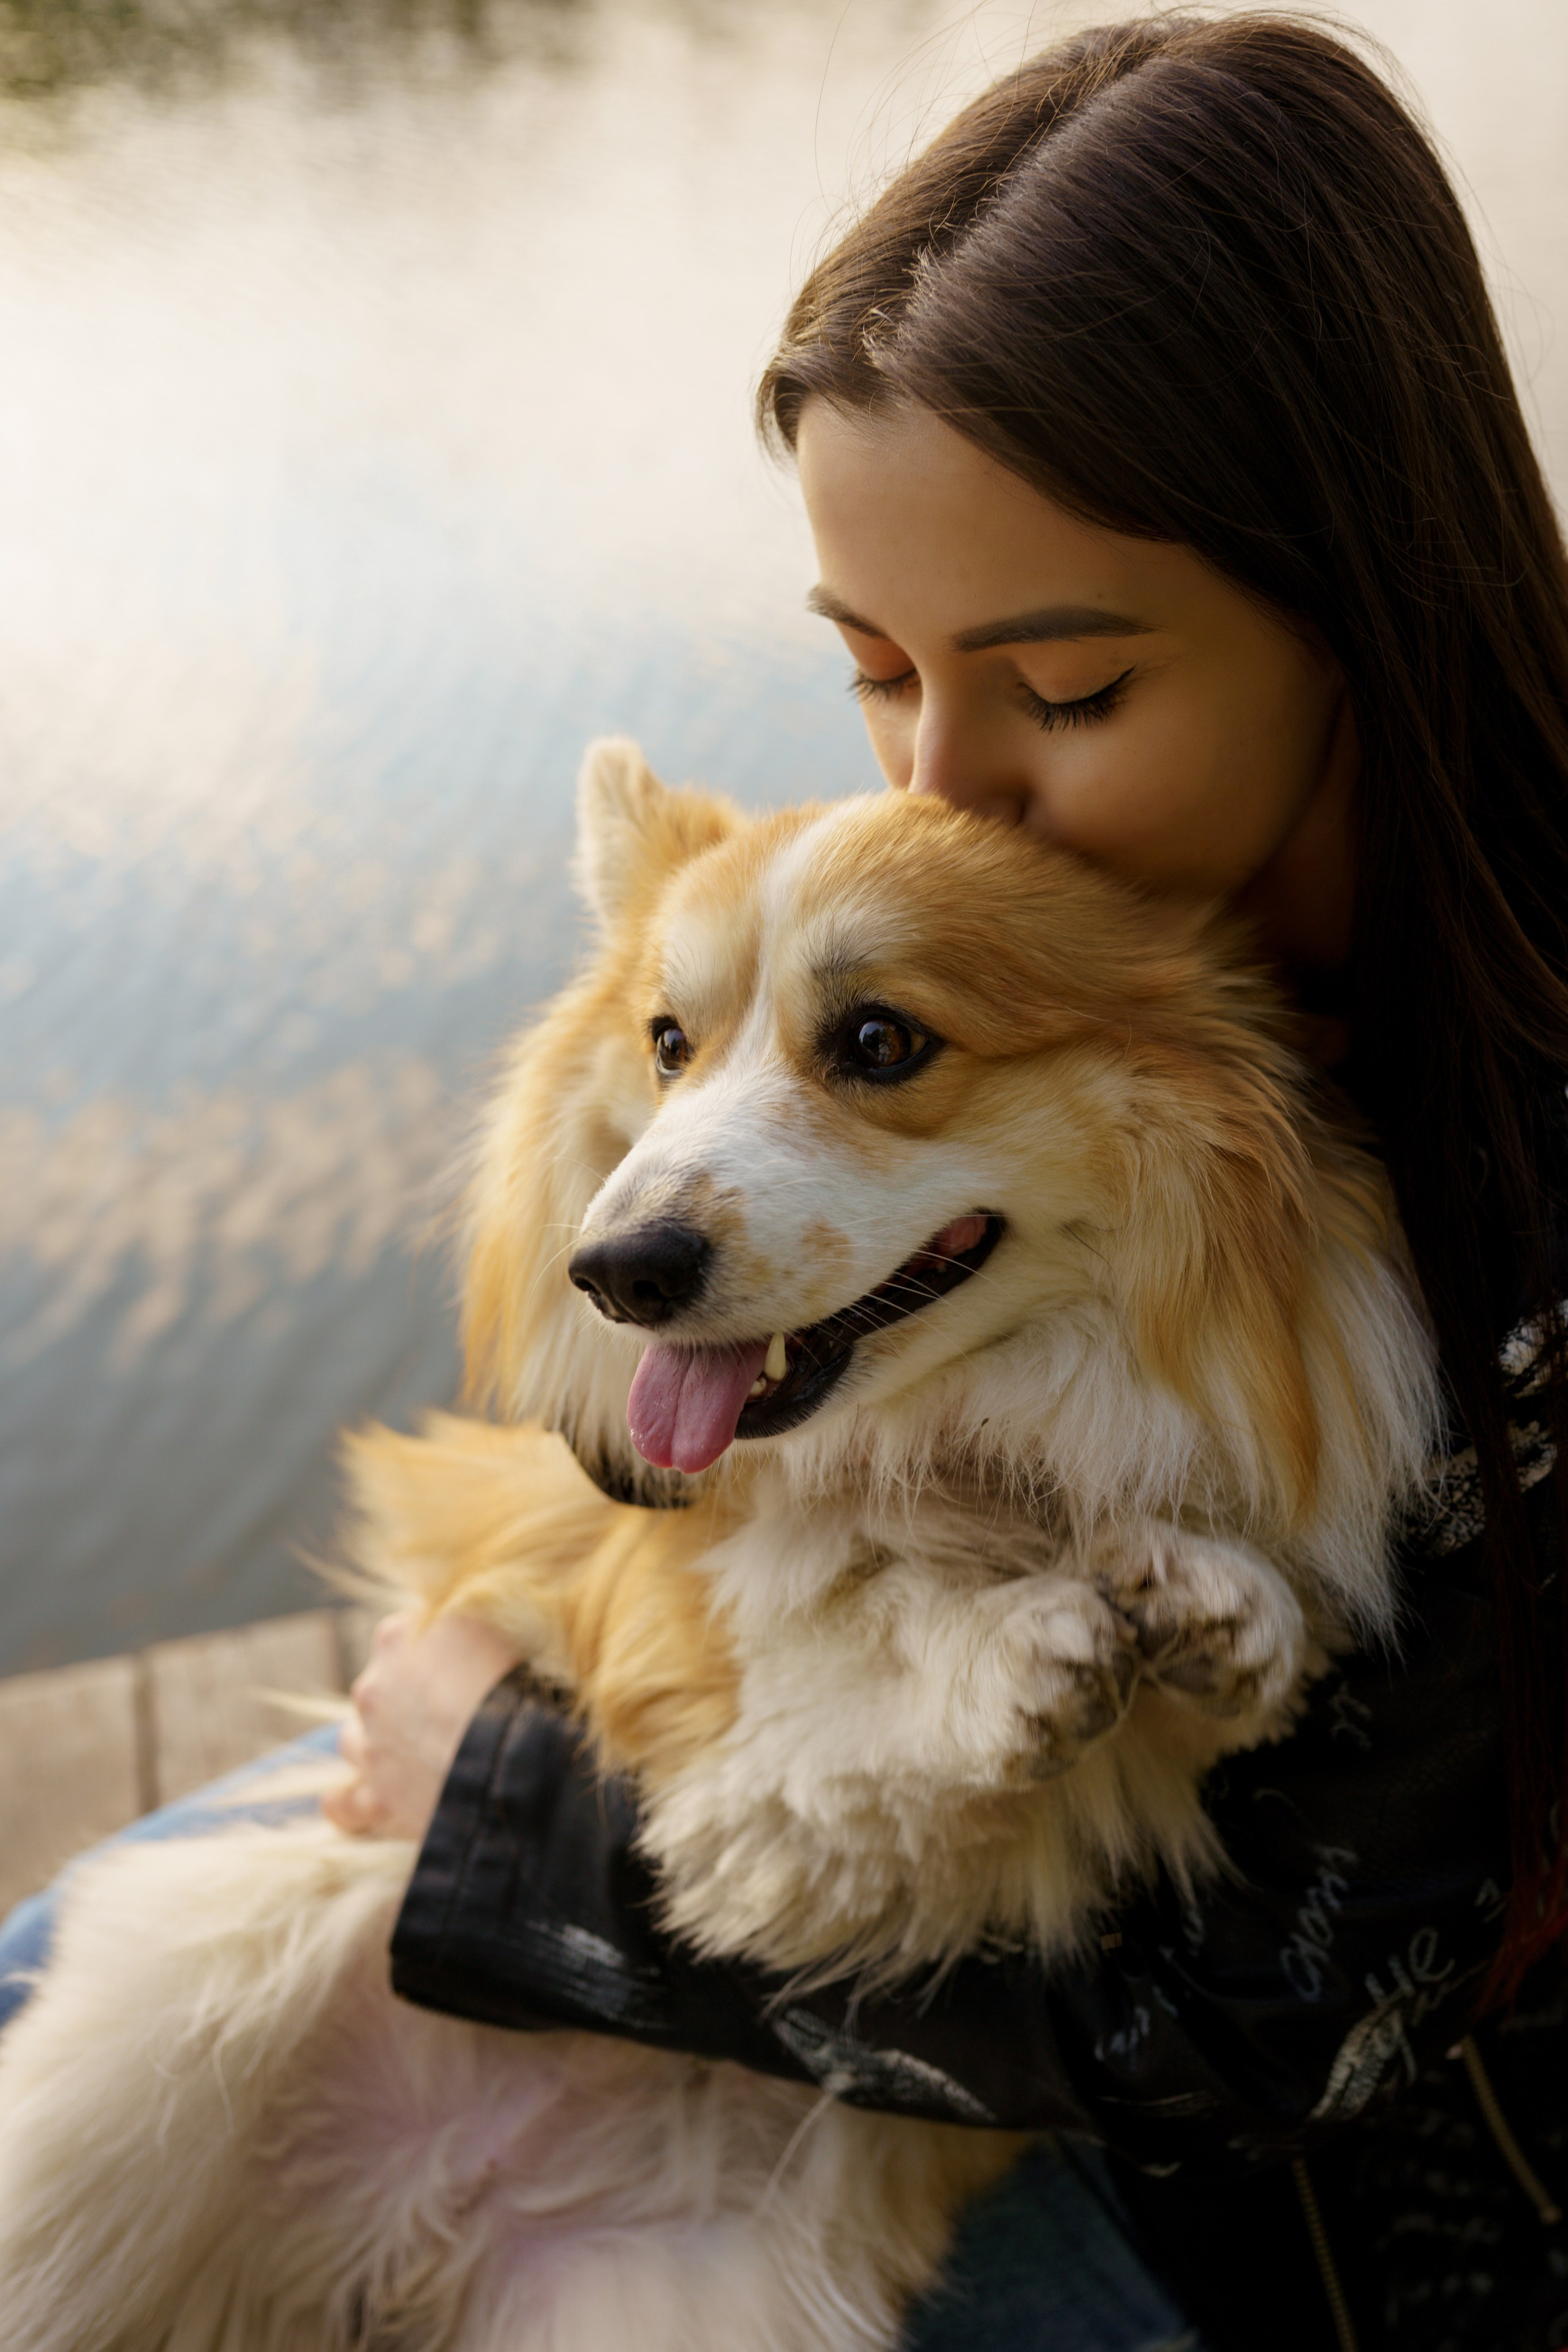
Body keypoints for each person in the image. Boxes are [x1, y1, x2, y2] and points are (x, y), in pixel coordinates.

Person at [7, 13, 1564, 2348]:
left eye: (1063, 690)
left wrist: (508, 1832)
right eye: (873, 670)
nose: (950, 788)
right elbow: (631, 1407)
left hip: (1281, 2221)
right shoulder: (1102, 958)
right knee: (67, 1963)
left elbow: (1275, 2025)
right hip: (803, 1853)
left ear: (1363, 601)